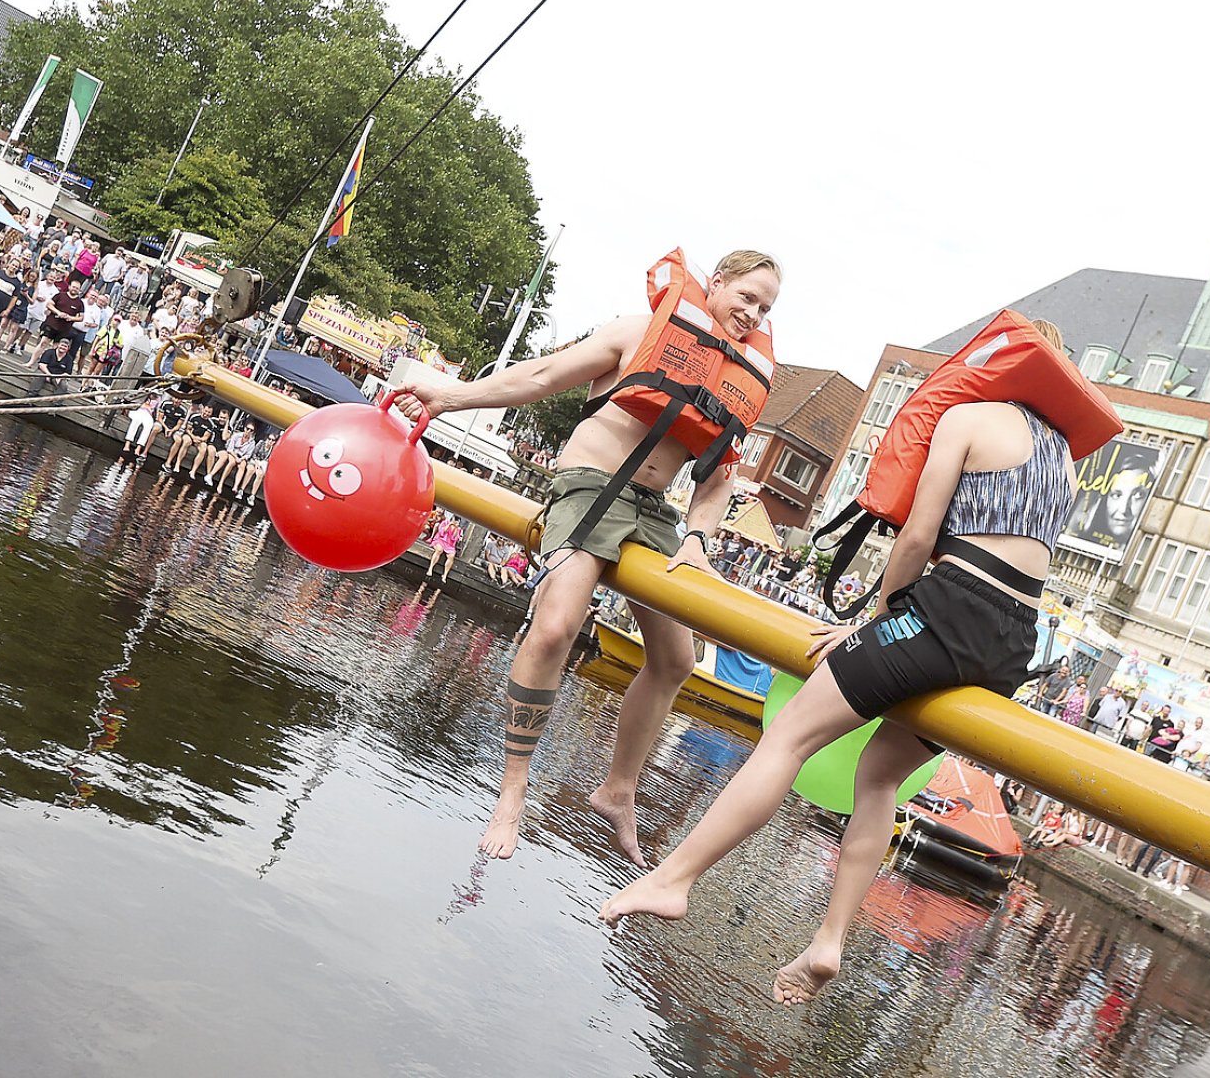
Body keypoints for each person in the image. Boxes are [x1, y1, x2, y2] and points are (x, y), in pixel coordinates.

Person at [598, 320, 1079, 1008]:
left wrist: (879, 616)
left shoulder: (971, 416)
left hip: (947, 608)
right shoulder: (1064, 459)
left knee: (790, 733)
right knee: (878, 780)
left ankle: (673, 879)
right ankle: (829, 941)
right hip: (1013, 640)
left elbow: (916, 536)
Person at [397, 248, 781, 863]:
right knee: (553, 628)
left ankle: (618, 790)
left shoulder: (739, 378)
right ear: (717, 283)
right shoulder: (642, 332)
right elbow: (543, 375)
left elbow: (716, 481)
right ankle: (513, 790)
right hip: (589, 486)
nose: (752, 313)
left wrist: (699, 539)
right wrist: (452, 396)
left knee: (677, 658)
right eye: (746, 297)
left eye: (764, 307)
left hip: (655, 511)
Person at [424, 510, 464, 582]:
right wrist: (449, 525)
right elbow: (442, 532)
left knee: (452, 555)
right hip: (440, 540)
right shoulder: (445, 523)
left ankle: (445, 575)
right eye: (455, 520)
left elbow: (454, 538)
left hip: (449, 544)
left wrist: (456, 529)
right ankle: (430, 568)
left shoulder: (459, 529)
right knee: (439, 550)